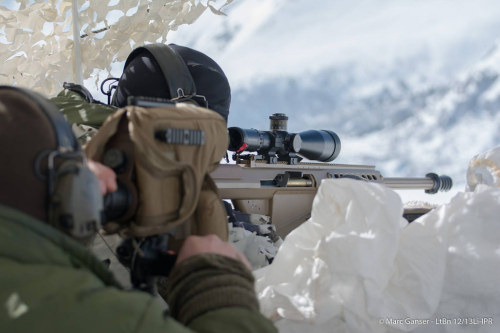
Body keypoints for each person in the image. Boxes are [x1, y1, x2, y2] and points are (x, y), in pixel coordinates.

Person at [0, 86, 277, 332]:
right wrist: (217, 287)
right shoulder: (88, 309)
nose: (107, 177)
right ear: (42, 181)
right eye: (79, 162)